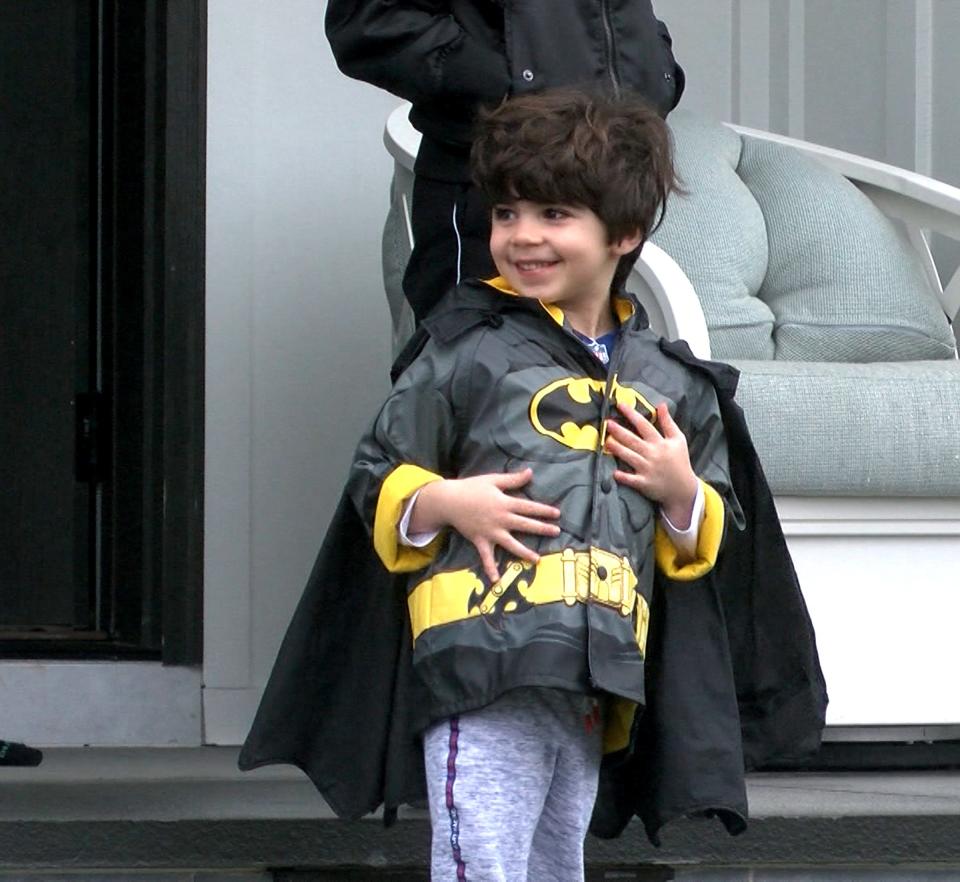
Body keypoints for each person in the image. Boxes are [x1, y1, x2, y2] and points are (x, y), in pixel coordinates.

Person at [240, 88, 826, 880]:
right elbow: (377, 473)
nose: (522, 236)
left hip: (594, 678)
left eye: (554, 215)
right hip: (479, 666)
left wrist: (679, 488)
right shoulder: (466, 350)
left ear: (622, 234)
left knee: (555, 861)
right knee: (484, 857)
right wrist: (443, 501)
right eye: (508, 212)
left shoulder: (671, 386)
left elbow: (710, 534)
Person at [325, 0, 685, 322]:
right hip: (494, 177)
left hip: (610, 171)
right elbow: (370, 21)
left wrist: (654, 72)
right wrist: (514, 92)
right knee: (466, 372)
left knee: (593, 372)